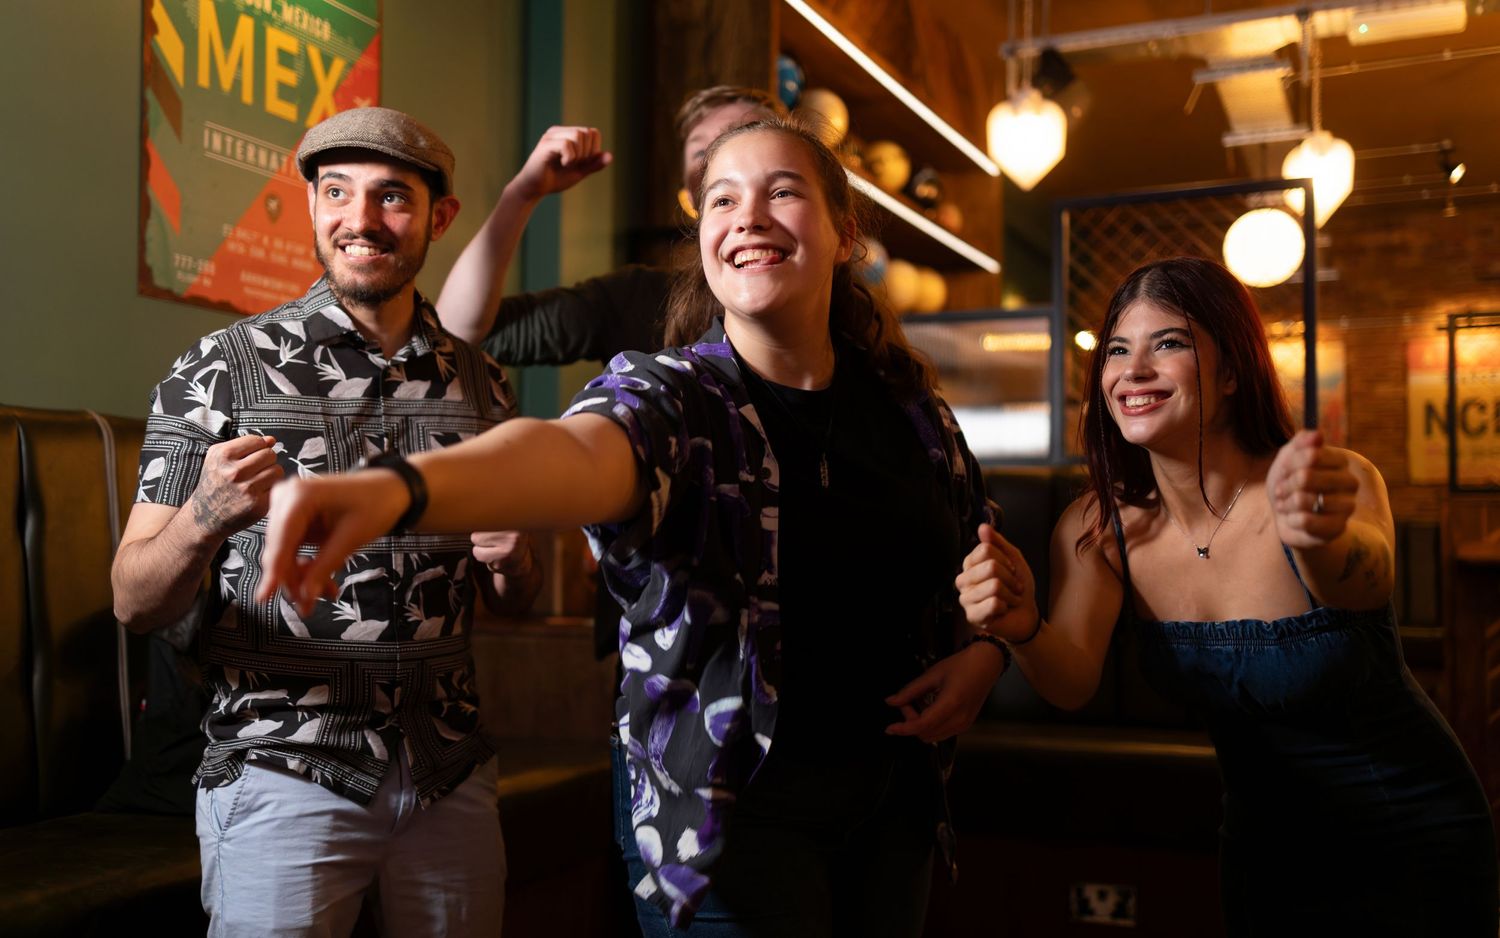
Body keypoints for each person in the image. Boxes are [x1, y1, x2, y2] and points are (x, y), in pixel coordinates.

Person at [256, 115, 1031, 936]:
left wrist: (987, 651)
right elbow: (567, 455)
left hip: (892, 812)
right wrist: (401, 488)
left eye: (783, 192)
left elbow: (978, 551)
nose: (750, 216)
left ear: (845, 236)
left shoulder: (912, 412)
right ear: (705, 240)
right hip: (727, 825)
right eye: (724, 199)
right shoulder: (677, 397)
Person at [958, 256, 1499, 935]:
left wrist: (1317, 539)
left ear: (1235, 371)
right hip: (1261, 847)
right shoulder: (1098, 530)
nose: (1134, 370)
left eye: (1171, 344)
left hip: (1409, 832)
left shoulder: (1329, 483)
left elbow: (1369, 579)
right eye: (1118, 350)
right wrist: (1021, 625)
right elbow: (1069, 680)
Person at [111, 106, 538, 937]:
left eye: (392, 198)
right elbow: (133, 601)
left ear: (439, 218)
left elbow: (514, 602)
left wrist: (516, 565)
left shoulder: (486, 388)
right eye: (336, 192)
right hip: (281, 765)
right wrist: (204, 515)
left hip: (449, 770)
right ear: (310, 207)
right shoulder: (219, 371)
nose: (361, 220)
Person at [436, 85, 786, 366]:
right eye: (700, 153)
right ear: (690, 196)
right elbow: (455, 332)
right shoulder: (638, 299)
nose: (718, 161)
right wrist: (521, 194)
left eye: (740, 137)